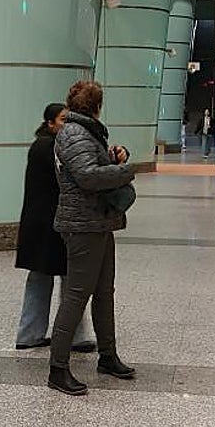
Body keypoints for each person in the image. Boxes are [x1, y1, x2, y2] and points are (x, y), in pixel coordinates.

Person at [47, 81, 137, 396]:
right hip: (83, 225)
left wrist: (114, 157)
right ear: (97, 106)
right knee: (76, 297)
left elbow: (91, 167)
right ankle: (57, 368)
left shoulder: (85, 132)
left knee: (103, 292)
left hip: (97, 222)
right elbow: (87, 176)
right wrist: (126, 171)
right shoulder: (75, 134)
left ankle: (108, 356)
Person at [14, 103, 96, 352]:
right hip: (55, 222)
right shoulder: (51, 148)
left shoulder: (42, 145)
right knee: (71, 278)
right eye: (63, 119)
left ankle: (30, 334)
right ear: (50, 123)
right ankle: (74, 336)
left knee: (41, 276)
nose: (67, 124)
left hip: (40, 223)